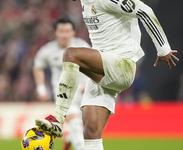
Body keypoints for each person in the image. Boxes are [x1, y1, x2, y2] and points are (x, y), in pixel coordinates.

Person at [35, 0, 179, 150]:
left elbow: (145, 11)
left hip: (121, 66)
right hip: (102, 73)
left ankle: (58, 118)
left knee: (71, 54)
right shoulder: (85, 2)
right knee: (91, 133)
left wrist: (163, 49)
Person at [33, 17, 90, 150]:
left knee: (85, 130)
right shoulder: (48, 50)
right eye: (61, 31)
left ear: (73, 32)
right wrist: (41, 89)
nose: (64, 34)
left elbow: (93, 67)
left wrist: (89, 83)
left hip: (83, 92)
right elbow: (37, 67)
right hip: (63, 96)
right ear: (55, 32)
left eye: (67, 31)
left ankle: (70, 139)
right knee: (76, 124)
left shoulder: (82, 47)